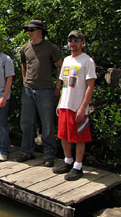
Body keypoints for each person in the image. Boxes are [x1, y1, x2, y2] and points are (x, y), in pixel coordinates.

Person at [17, 20, 63, 167]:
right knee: (26, 123)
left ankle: (49, 154)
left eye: (31, 30)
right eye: (28, 30)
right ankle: (27, 151)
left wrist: (58, 86)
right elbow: (24, 65)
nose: (29, 32)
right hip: (28, 90)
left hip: (45, 90)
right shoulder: (24, 48)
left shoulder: (51, 48)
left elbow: (61, 66)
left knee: (47, 123)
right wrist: (25, 81)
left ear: (40, 31)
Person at [52, 30, 96, 181]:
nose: (73, 44)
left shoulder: (87, 61)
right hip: (65, 104)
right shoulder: (66, 60)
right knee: (63, 135)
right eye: (70, 40)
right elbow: (64, 83)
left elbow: (90, 86)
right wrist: (60, 102)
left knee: (79, 137)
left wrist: (83, 107)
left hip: (78, 106)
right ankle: (68, 161)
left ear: (82, 42)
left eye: (76, 40)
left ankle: (78, 166)